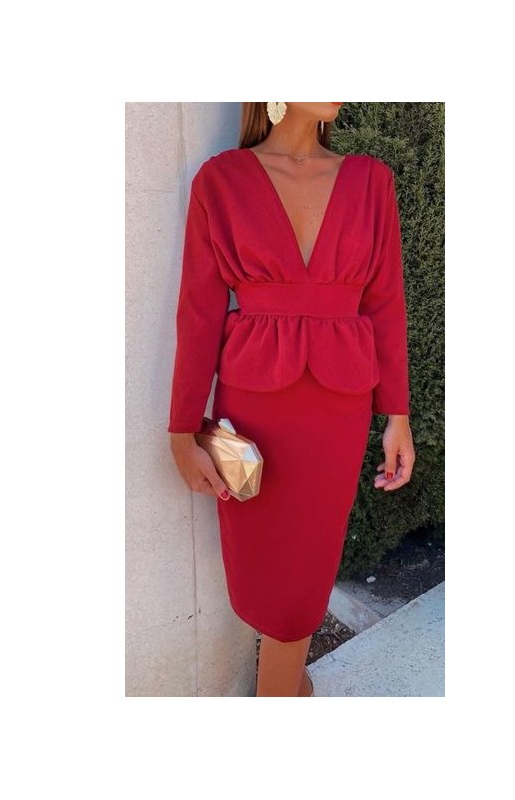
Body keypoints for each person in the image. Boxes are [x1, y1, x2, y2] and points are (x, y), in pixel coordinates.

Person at [168, 102, 415, 697]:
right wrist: (181, 431)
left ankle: (277, 694)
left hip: (337, 410)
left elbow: (386, 300)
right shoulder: (221, 179)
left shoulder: (370, 180)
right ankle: (287, 687)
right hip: (254, 407)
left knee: (308, 562)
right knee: (264, 563)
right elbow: (199, 312)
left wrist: (398, 414)